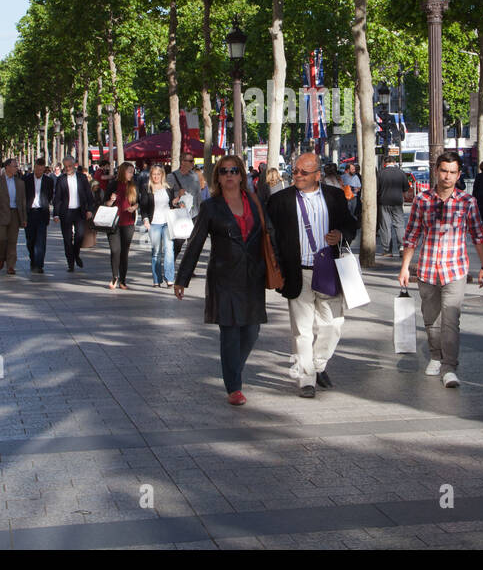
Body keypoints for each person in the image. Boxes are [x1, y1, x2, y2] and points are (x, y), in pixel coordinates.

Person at [174, 155, 274, 406]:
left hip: (252, 276)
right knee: (230, 332)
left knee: (251, 331)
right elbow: (195, 243)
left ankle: (233, 370)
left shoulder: (255, 202)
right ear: (217, 177)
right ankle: (234, 387)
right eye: (223, 171)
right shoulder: (211, 207)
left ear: (241, 175)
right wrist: (182, 278)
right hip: (224, 277)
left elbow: (269, 234)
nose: (229, 175)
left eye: (233, 170)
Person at [266, 152, 360, 398]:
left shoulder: (335, 196)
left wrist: (341, 234)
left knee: (333, 325)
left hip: (329, 270)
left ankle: (317, 364)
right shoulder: (281, 200)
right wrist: (277, 266)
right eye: (295, 170)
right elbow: (271, 235)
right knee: (303, 330)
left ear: (317, 175)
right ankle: (306, 378)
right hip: (298, 273)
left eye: (303, 172)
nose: (297, 175)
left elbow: (351, 224)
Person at [399, 151, 483, 388]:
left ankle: (449, 366)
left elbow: (478, 235)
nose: (447, 176)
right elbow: (411, 236)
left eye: (452, 172)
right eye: (444, 171)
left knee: (451, 319)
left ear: (459, 174)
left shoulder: (467, 202)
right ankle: (436, 356)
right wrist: (405, 268)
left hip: (455, 269)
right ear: (436, 171)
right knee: (431, 320)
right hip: (427, 269)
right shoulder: (422, 200)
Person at [139, 164, 182, 287]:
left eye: (158, 174)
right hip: (154, 223)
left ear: (162, 175)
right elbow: (144, 207)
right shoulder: (146, 188)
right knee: (156, 252)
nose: (156, 177)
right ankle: (157, 279)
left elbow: (171, 203)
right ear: (150, 175)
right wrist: (145, 220)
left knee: (169, 251)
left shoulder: (168, 187)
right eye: (154, 174)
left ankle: (169, 278)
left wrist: (178, 199)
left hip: (167, 222)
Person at [52, 156, 96, 273]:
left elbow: (89, 195)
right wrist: (56, 214)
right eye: (65, 167)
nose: (68, 169)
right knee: (67, 239)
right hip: (66, 212)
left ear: (74, 165)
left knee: (80, 235)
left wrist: (90, 210)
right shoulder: (61, 179)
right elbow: (57, 198)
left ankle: (76, 254)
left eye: (69, 166)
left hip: (79, 211)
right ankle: (70, 263)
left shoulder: (82, 178)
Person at [103, 162, 139, 289]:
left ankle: (123, 280)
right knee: (115, 250)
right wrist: (111, 200)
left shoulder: (133, 185)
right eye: (129, 171)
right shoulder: (113, 184)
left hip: (128, 223)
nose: (131, 174)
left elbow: (138, 202)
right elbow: (105, 204)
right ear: (123, 171)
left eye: (132, 171)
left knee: (124, 252)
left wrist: (134, 207)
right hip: (114, 223)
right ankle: (114, 276)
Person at [0, 158, 27, 274]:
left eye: (17, 166)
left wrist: (24, 218)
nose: (17, 168)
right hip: (1, 214)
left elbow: (23, 202)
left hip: (15, 214)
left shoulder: (20, 183)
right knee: (0, 239)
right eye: (15, 166)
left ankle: (11, 265)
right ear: (7, 167)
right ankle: (2, 257)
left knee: (12, 241)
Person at [376, 155, 411, 257]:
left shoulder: (380, 173)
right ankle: (402, 248)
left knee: (385, 226)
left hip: (383, 202)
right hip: (397, 202)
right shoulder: (401, 173)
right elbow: (406, 190)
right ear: (394, 162)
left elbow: (377, 189)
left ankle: (387, 251)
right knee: (399, 225)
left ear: (384, 163)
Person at [25, 157, 55, 274]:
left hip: (42, 213)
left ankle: (39, 264)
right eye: (37, 169)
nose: (39, 172)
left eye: (41, 170)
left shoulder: (48, 181)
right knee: (30, 240)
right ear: (34, 168)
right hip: (30, 213)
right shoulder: (26, 180)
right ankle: (33, 259)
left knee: (41, 241)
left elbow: (50, 196)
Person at [170, 153, 202, 260]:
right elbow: (167, 197)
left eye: (193, 161)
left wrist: (201, 212)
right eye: (191, 161)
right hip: (180, 215)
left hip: (194, 214)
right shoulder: (172, 177)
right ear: (183, 162)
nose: (193, 163)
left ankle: (188, 269)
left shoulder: (194, 176)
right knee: (178, 243)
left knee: (192, 245)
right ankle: (170, 267)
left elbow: (198, 195)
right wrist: (176, 198)